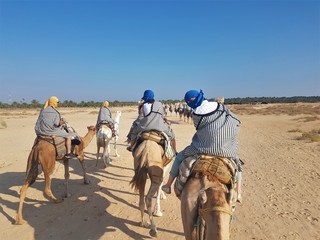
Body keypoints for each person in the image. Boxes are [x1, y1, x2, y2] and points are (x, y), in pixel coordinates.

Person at [162, 89, 242, 201]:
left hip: (203, 147)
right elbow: (236, 119)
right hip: (226, 149)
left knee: (180, 157)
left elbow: (200, 129)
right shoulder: (219, 105)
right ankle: (238, 193)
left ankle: (168, 185)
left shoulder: (196, 113)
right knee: (237, 165)